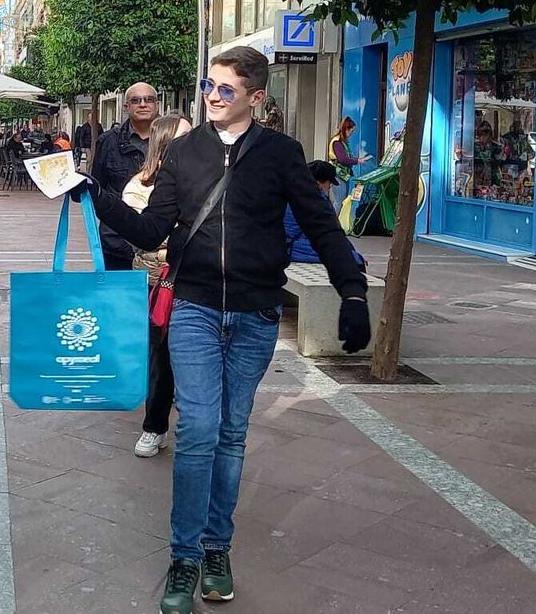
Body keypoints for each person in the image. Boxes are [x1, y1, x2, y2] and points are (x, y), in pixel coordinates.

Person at [82, 47, 368, 614]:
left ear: (255, 97)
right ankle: (184, 557)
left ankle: (218, 548)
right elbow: (150, 227)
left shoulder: (282, 155)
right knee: (198, 430)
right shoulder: (185, 151)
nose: (212, 96)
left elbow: (320, 225)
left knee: (232, 432)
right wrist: (96, 198)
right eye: (208, 87)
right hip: (191, 308)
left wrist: (352, 291)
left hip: (255, 314)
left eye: (225, 89)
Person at [121, 113, 191, 460]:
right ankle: (154, 426)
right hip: (155, 283)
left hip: (194, 281)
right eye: (184, 138)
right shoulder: (139, 187)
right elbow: (147, 235)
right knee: (159, 359)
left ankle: (191, 424)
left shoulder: (204, 180)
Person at [91, 82, 160, 271]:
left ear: (157, 104)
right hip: (117, 244)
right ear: (126, 106)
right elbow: (98, 190)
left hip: (161, 250)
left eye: (149, 99)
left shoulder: (173, 139)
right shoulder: (108, 142)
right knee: (117, 299)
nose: (143, 104)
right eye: (136, 100)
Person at [285, 161, 368, 270]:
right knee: (355, 262)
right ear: (319, 182)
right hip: (297, 248)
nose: (330, 187)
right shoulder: (315, 201)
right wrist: (354, 256)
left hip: (288, 245)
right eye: (329, 183)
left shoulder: (291, 191)